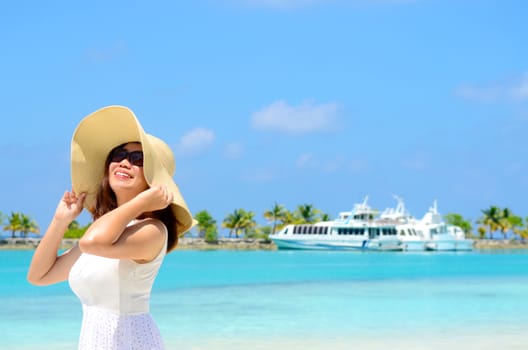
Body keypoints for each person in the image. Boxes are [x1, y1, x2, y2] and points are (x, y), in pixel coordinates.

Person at [27, 105, 195, 350]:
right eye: (118, 155)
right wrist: (60, 220)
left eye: (138, 159)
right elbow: (39, 276)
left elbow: (90, 243)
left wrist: (141, 201)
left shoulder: (152, 231)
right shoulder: (106, 229)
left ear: (153, 178)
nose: (124, 162)